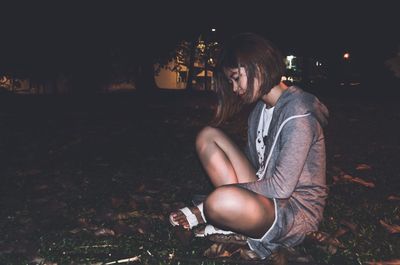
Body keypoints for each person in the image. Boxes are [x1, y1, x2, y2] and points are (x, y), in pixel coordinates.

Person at [169, 32, 329, 260]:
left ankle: (224, 213)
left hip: (294, 213)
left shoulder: (298, 113)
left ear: (258, 67)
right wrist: (234, 193)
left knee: (218, 201)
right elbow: (256, 168)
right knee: (208, 135)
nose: (234, 88)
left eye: (236, 78)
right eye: (230, 81)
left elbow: (282, 189)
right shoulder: (258, 113)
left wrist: (205, 208)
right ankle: (232, 219)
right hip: (269, 199)